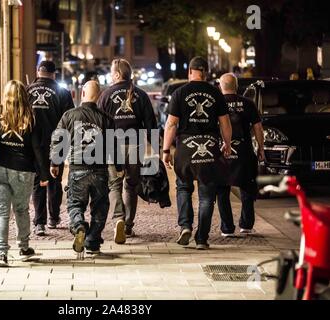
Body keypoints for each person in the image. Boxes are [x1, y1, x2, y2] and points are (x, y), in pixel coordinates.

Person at [162, 56, 233, 250]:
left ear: (190, 72)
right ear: (206, 72)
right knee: (207, 194)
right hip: (209, 148)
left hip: (186, 148)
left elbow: (171, 124)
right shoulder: (216, 93)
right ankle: (201, 238)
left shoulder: (179, 93)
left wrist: (166, 150)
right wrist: (227, 144)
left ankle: (185, 225)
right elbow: (225, 123)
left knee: (183, 187)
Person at [0, 80, 50, 267]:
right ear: (24, 96)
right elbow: (38, 149)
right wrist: (44, 175)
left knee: (0, 212)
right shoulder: (31, 117)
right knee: (21, 209)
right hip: (22, 170)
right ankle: (24, 247)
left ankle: (1, 254)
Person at [50, 81, 123, 255]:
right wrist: (119, 166)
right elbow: (114, 146)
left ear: (82, 93)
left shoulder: (69, 115)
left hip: (77, 169)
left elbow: (58, 140)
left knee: (75, 203)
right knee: (100, 207)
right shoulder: (106, 119)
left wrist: (55, 163)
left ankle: (79, 225)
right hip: (99, 170)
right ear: (98, 96)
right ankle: (92, 242)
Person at [97, 58, 157, 244]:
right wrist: (157, 150)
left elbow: (98, 123)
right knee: (131, 185)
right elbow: (150, 123)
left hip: (113, 144)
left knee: (114, 185)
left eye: (111, 73)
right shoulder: (140, 94)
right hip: (135, 144)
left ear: (117, 74)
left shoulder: (106, 95)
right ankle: (129, 224)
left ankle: (118, 219)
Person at [26, 61, 75, 236]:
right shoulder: (63, 93)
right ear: (54, 74)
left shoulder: (28, 90)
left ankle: (39, 222)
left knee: (38, 183)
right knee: (55, 181)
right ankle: (53, 218)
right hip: (57, 142)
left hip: (33, 144)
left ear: (38, 72)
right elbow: (70, 120)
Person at [216, 73, 265, 237]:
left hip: (222, 151)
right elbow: (258, 128)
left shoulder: (215, 103)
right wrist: (261, 149)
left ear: (220, 86)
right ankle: (246, 224)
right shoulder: (248, 103)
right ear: (236, 86)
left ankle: (227, 228)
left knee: (222, 189)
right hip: (244, 151)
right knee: (247, 188)